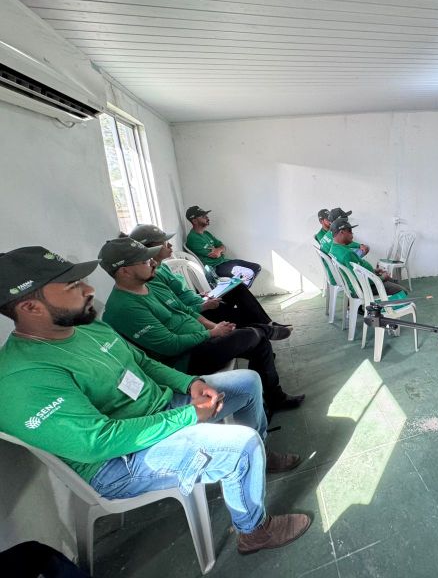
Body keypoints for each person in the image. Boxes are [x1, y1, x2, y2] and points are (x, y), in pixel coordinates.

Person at [0, 247, 310, 556]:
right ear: (30, 307)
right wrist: (188, 416)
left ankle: (260, 457)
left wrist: (191, 383)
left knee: (247, 382)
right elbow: (97, 442)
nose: (89, 289)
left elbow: (142, 362)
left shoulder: (86, 326)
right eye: (72, 286)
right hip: (118, 461)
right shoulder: (22, 377)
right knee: (240, 446)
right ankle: (253, 531)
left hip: (157, 408)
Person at [99, 238, 304, 418]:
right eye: (144, 261)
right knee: (254, 334)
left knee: (259, 342)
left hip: (201, 339)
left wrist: (212, 326)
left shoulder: (149, 285)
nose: (153, 262)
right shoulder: (125, 307)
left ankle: (273, 397)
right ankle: (266, 329)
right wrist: (210, 333)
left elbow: (183, 309)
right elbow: (170, 346)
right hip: (184, 360)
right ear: (124, 271)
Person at [128, 224, 291, 339]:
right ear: (150, 248)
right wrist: (202, 305)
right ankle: (263, 331)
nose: (170, 245)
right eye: (164, 243)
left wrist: (200, 296)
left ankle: (267, 324)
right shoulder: (150, 278)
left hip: (200, 301)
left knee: (237, 288)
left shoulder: (162, 267)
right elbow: (175, 309)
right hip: (198, 312)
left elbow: (181, 294)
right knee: (242, 312)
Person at [184, 206, 261, 287]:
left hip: (225, 262)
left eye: (206, 215)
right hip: (217, 268)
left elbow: (223, 247)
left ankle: (240, 291)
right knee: (247, 274)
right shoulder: (193, 238)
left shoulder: (206, 233)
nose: (207, 218)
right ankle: (240, 292)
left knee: (256, 267)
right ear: (194, 221)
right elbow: (215, 255)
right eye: (203, 216)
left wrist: (218, 249)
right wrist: (219, 251)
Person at [328, 218, 405, 297]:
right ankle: (391, 304)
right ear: (341, 232)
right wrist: (382, 278)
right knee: (402, 291)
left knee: (394, 282)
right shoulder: (347, 254)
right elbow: (360, 280)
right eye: (350, 231)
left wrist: (374, 271)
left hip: (362, 282)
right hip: (364, 287)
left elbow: (355, 270)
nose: (352, 234)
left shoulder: (333, 249)